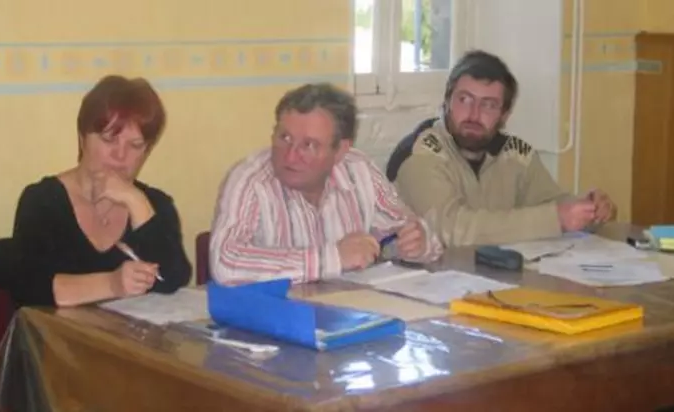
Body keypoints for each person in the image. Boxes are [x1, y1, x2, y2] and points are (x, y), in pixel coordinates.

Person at [210, 83, 443, 285]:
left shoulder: (359, 170)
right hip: (277, 323)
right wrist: (332, 258)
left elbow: (403, 230)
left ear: (340, 150)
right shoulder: (251, 179)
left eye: (309, 145)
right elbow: (225, 262)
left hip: (349, 315)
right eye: (285, 138)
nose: (290, 156)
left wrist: (419, 244)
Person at [386, 50, 617, 247]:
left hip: (491, 280)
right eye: (465, 100)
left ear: (505, 115)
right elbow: (451, 229)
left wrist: (588, 209)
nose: (474, 115)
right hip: (425, 283)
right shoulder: (420, 153)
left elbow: (549, 203)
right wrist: (556, 218)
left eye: (489, 105)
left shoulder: (517, 154)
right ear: (447, 101)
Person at [12, 75, 191, 307]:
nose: (120, 156)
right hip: (57, 340)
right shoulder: (43, 200)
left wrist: (135, 201)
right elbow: (29, 289)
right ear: (83, 138)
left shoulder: (154, 203)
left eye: (136, 146)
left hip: (125, 341)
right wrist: (112, 284)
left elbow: (173, 279)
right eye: (109, 140)